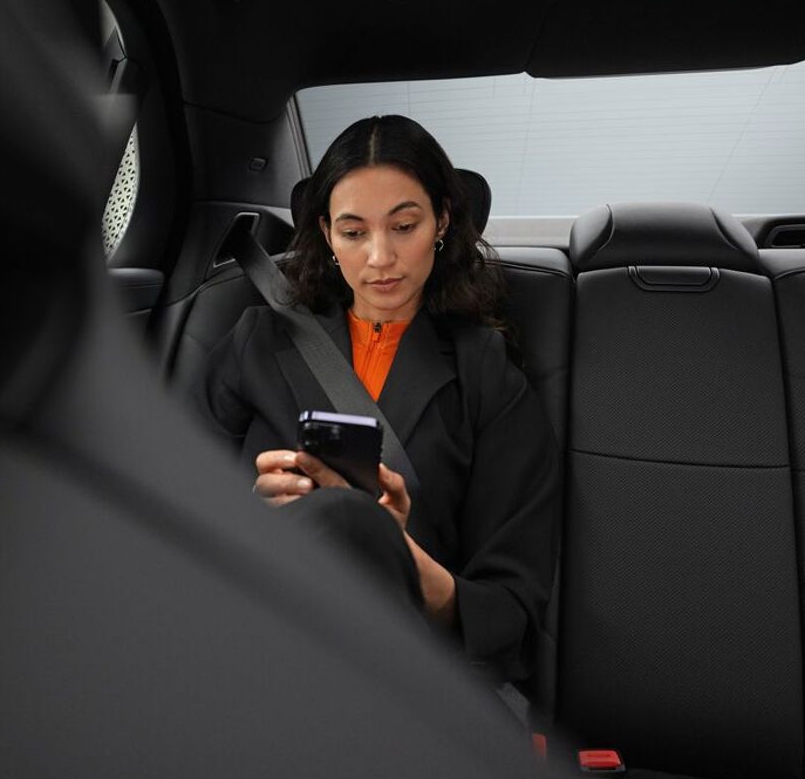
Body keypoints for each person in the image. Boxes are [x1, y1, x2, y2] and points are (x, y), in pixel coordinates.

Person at [192, 114, 560, 683]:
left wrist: (393, 551)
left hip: (402, 673)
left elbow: (507, 609)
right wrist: (250, 513)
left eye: (404, 226)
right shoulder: (256, 343)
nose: (380, 257)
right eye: (354, 231)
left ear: (441, 219)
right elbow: (172, 509)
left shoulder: (485, 373)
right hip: (249, 649)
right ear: (327, 233)